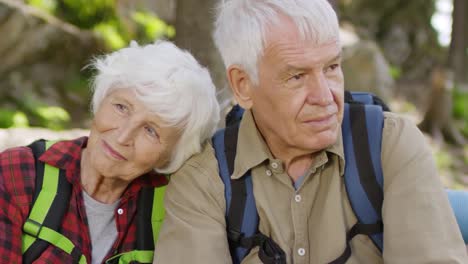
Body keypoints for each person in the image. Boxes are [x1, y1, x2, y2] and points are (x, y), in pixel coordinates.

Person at [154, 0, 468, 263]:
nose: (325, 96)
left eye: (332, 67)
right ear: (243, 85)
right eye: (297, 77)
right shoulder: (204, 181)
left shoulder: (388, 145)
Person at [0, 40, 220, 263]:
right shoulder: (18, 172)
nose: (123, 136)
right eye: (121, 107)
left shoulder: (176, 209)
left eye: (150, 130)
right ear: (102, 98)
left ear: (172, 154)